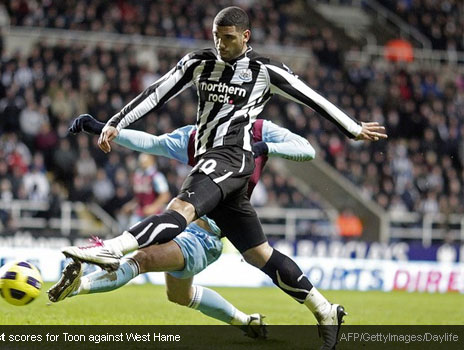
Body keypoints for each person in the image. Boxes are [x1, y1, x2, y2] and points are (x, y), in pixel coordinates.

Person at [62, 7, 387, 349]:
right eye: (217, 36)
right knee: (259, 254)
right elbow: (157, 93)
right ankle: (325, 310)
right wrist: (115, 122)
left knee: (179, 209)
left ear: (246, 37)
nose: (221, 44)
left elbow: (310, 96)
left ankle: (110, 248)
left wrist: (352, 129)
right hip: (213, 163)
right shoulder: (198, 64)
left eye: (228, 38)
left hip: (232, 157)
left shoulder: (264, 71)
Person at [49, 113, 315, 338]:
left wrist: (267, 148)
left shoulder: (257, 132)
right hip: (181, 226)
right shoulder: (195, 134)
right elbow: (151, 142)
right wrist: (101, 127)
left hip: (204, 236)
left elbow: (305, 149)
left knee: (142, 259)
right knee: (180, 295)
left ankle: (78, 287)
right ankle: (246, 322)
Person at [121, 153, 170, 225]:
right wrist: (131, 205)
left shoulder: (156, 176)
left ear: (151, 161)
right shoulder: (138, 175)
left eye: (145, 160)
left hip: (153, 215)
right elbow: (139, 197)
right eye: (141, 161)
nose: (142, 162)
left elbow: (165, 195)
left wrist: (153, 207)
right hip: (139, 212)